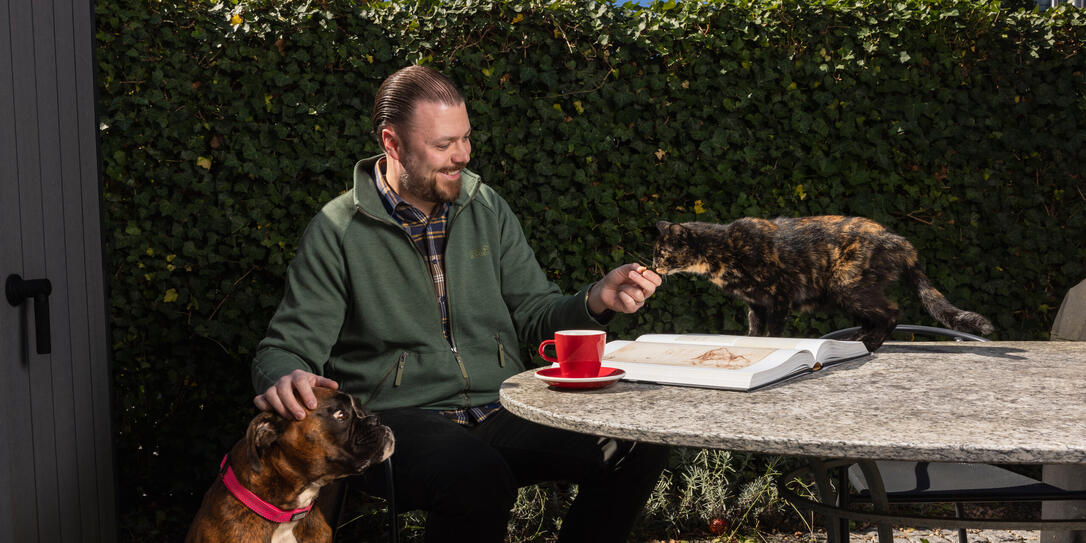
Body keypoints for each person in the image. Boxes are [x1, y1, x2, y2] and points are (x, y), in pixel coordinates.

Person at [251, 65, 668, 542]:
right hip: (395, 421)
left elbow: (535, 313)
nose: (462, 156)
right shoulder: (337, 229)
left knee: (639, 445)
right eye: (443, 145)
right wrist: (285, 377)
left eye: (466, 139)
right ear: (392, 143)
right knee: (476, 474)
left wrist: (595, 299)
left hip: (504, 409)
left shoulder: (486, 206)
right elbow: (284, 348)